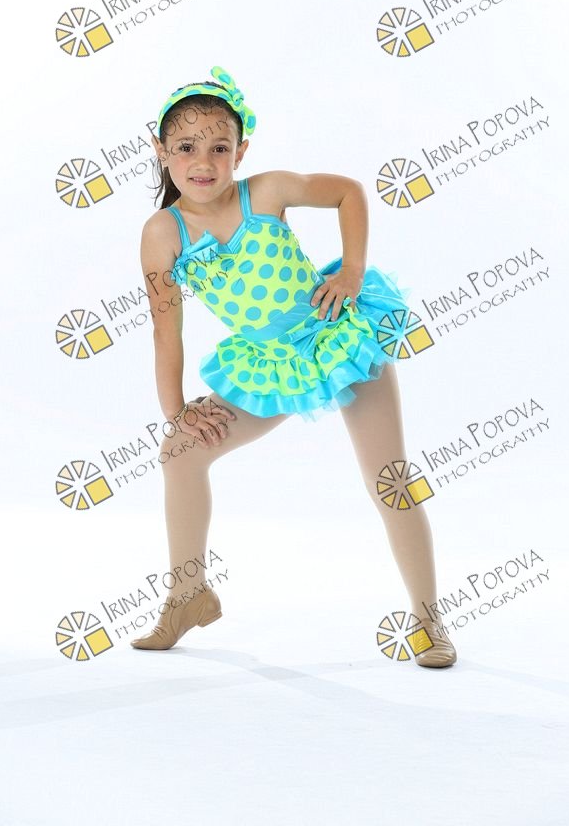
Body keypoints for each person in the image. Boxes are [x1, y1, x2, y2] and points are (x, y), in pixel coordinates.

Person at [132, 65, 456, 668]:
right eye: (186, 147)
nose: (203, 161)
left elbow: (347, 192)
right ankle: (188, 594)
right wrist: (177, 413)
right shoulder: (162, 233)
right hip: (269, 365)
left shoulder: (266, 192)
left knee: (389, 478)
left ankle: (428, 618)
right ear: (161, 150)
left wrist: (351, 270)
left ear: (240, 151)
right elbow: (164, 331)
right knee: (180, 452)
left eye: (219, 147)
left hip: (338, 339)